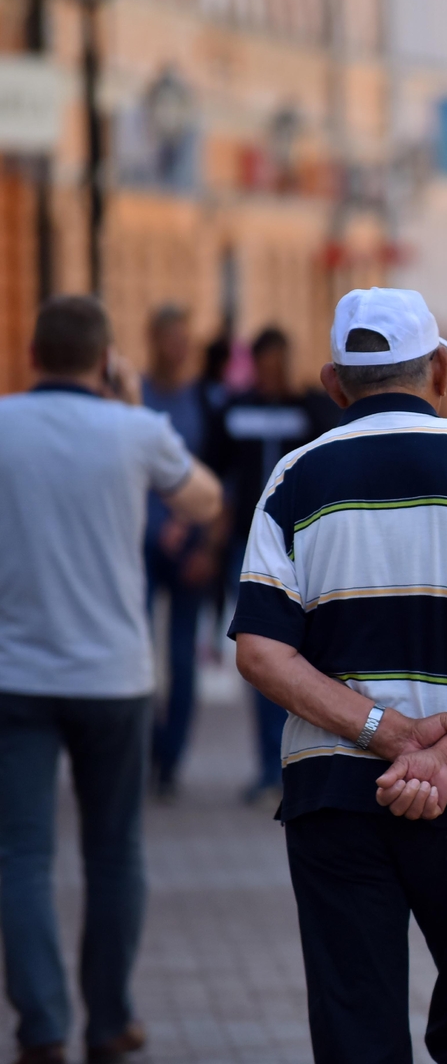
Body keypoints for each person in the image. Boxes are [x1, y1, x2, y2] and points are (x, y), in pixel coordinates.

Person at [231, 288, 447, 1063]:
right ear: (441, 369)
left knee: (357, 1027)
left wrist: (384, 734)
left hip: (336, 794)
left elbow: (260, 647)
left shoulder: (294, 478)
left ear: (333, 383)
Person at [0, 296, 222, 1064]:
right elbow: (206, 498)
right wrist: (131, 408)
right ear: (106, 360)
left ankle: (42, 1025)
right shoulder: (135, 430)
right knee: (114, 850)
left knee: (23, 854)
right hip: (113, 675)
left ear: (33, 356)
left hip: (15, 672)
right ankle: (110, 1020)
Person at [207, 326, 328, 805]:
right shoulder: (235, 412)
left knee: (311, 656)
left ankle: (303, 762)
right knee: (264, 654)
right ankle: (267, 765)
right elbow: (214, 473)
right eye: (265, 364)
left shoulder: (310, 410)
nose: (272, 373)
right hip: (251, 548)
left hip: (307, 546)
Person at [141, 305, 225, 798]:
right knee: (137, 649)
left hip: (191, 541)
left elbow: (220, 478)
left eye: (184, 338)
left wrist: (205, 539)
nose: (178, 347)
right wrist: (156, 526)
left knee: (181, 654)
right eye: (169, 337)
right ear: (153, 339)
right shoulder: (136, 398)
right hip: (143, 542)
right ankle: (147, 745)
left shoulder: (206, 401)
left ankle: (170, 759)